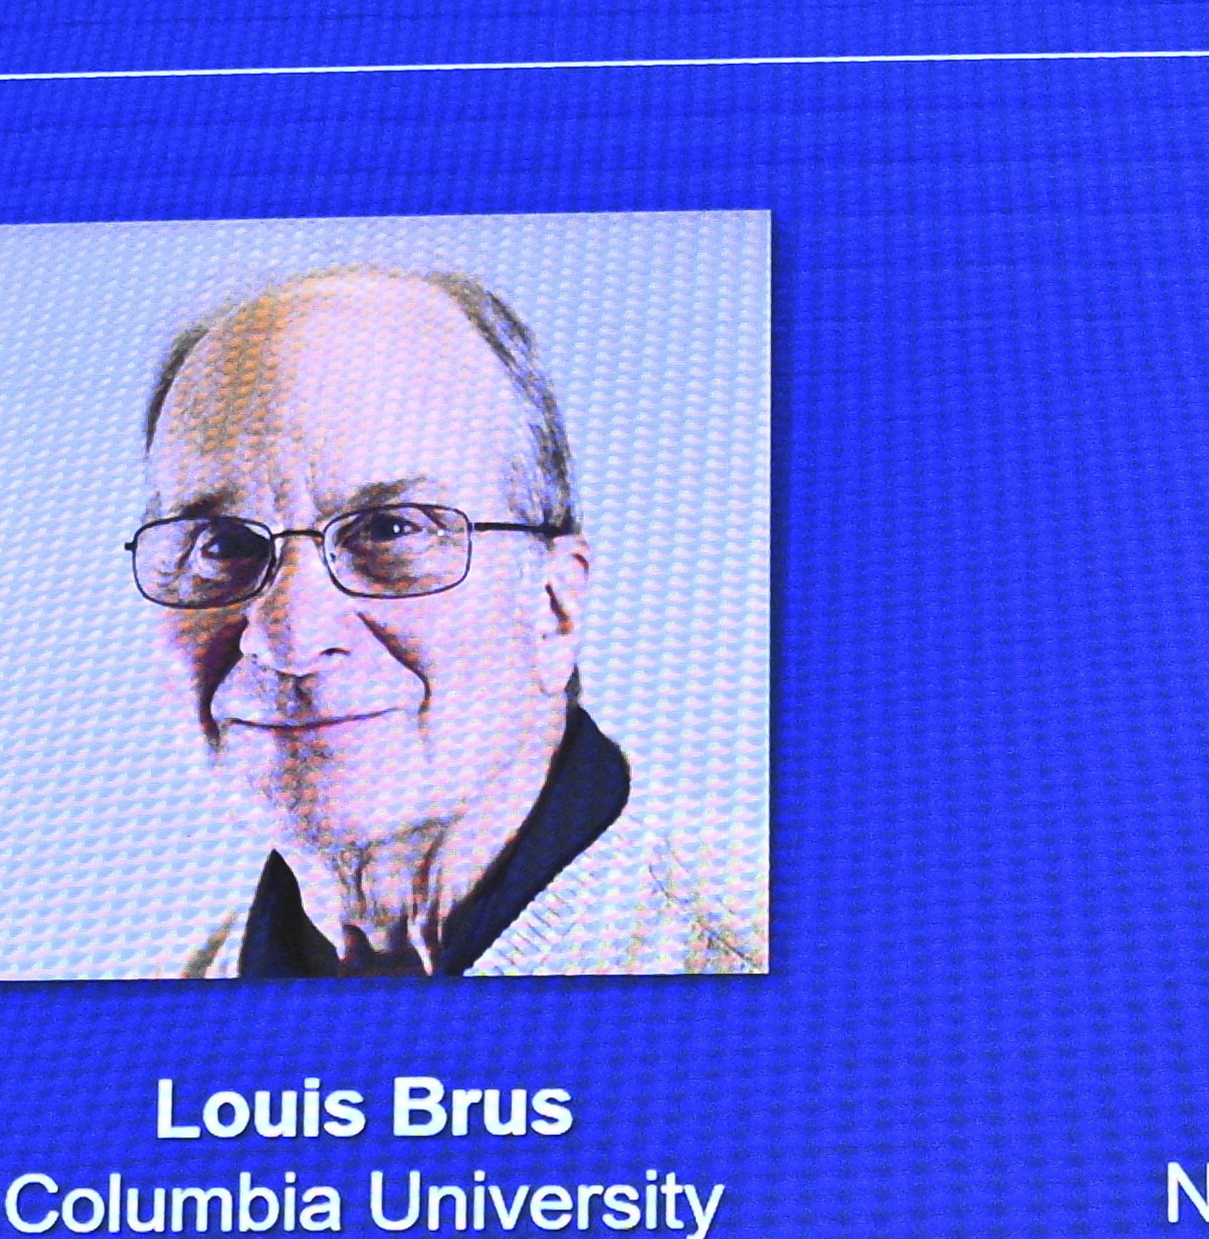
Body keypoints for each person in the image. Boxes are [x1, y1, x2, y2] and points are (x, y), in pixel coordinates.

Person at [106, 265, 762, 980]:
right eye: (222, 545)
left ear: (553, 607)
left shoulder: (797, 973)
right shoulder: (128, 1031)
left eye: (390, 531)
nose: (286, 635)